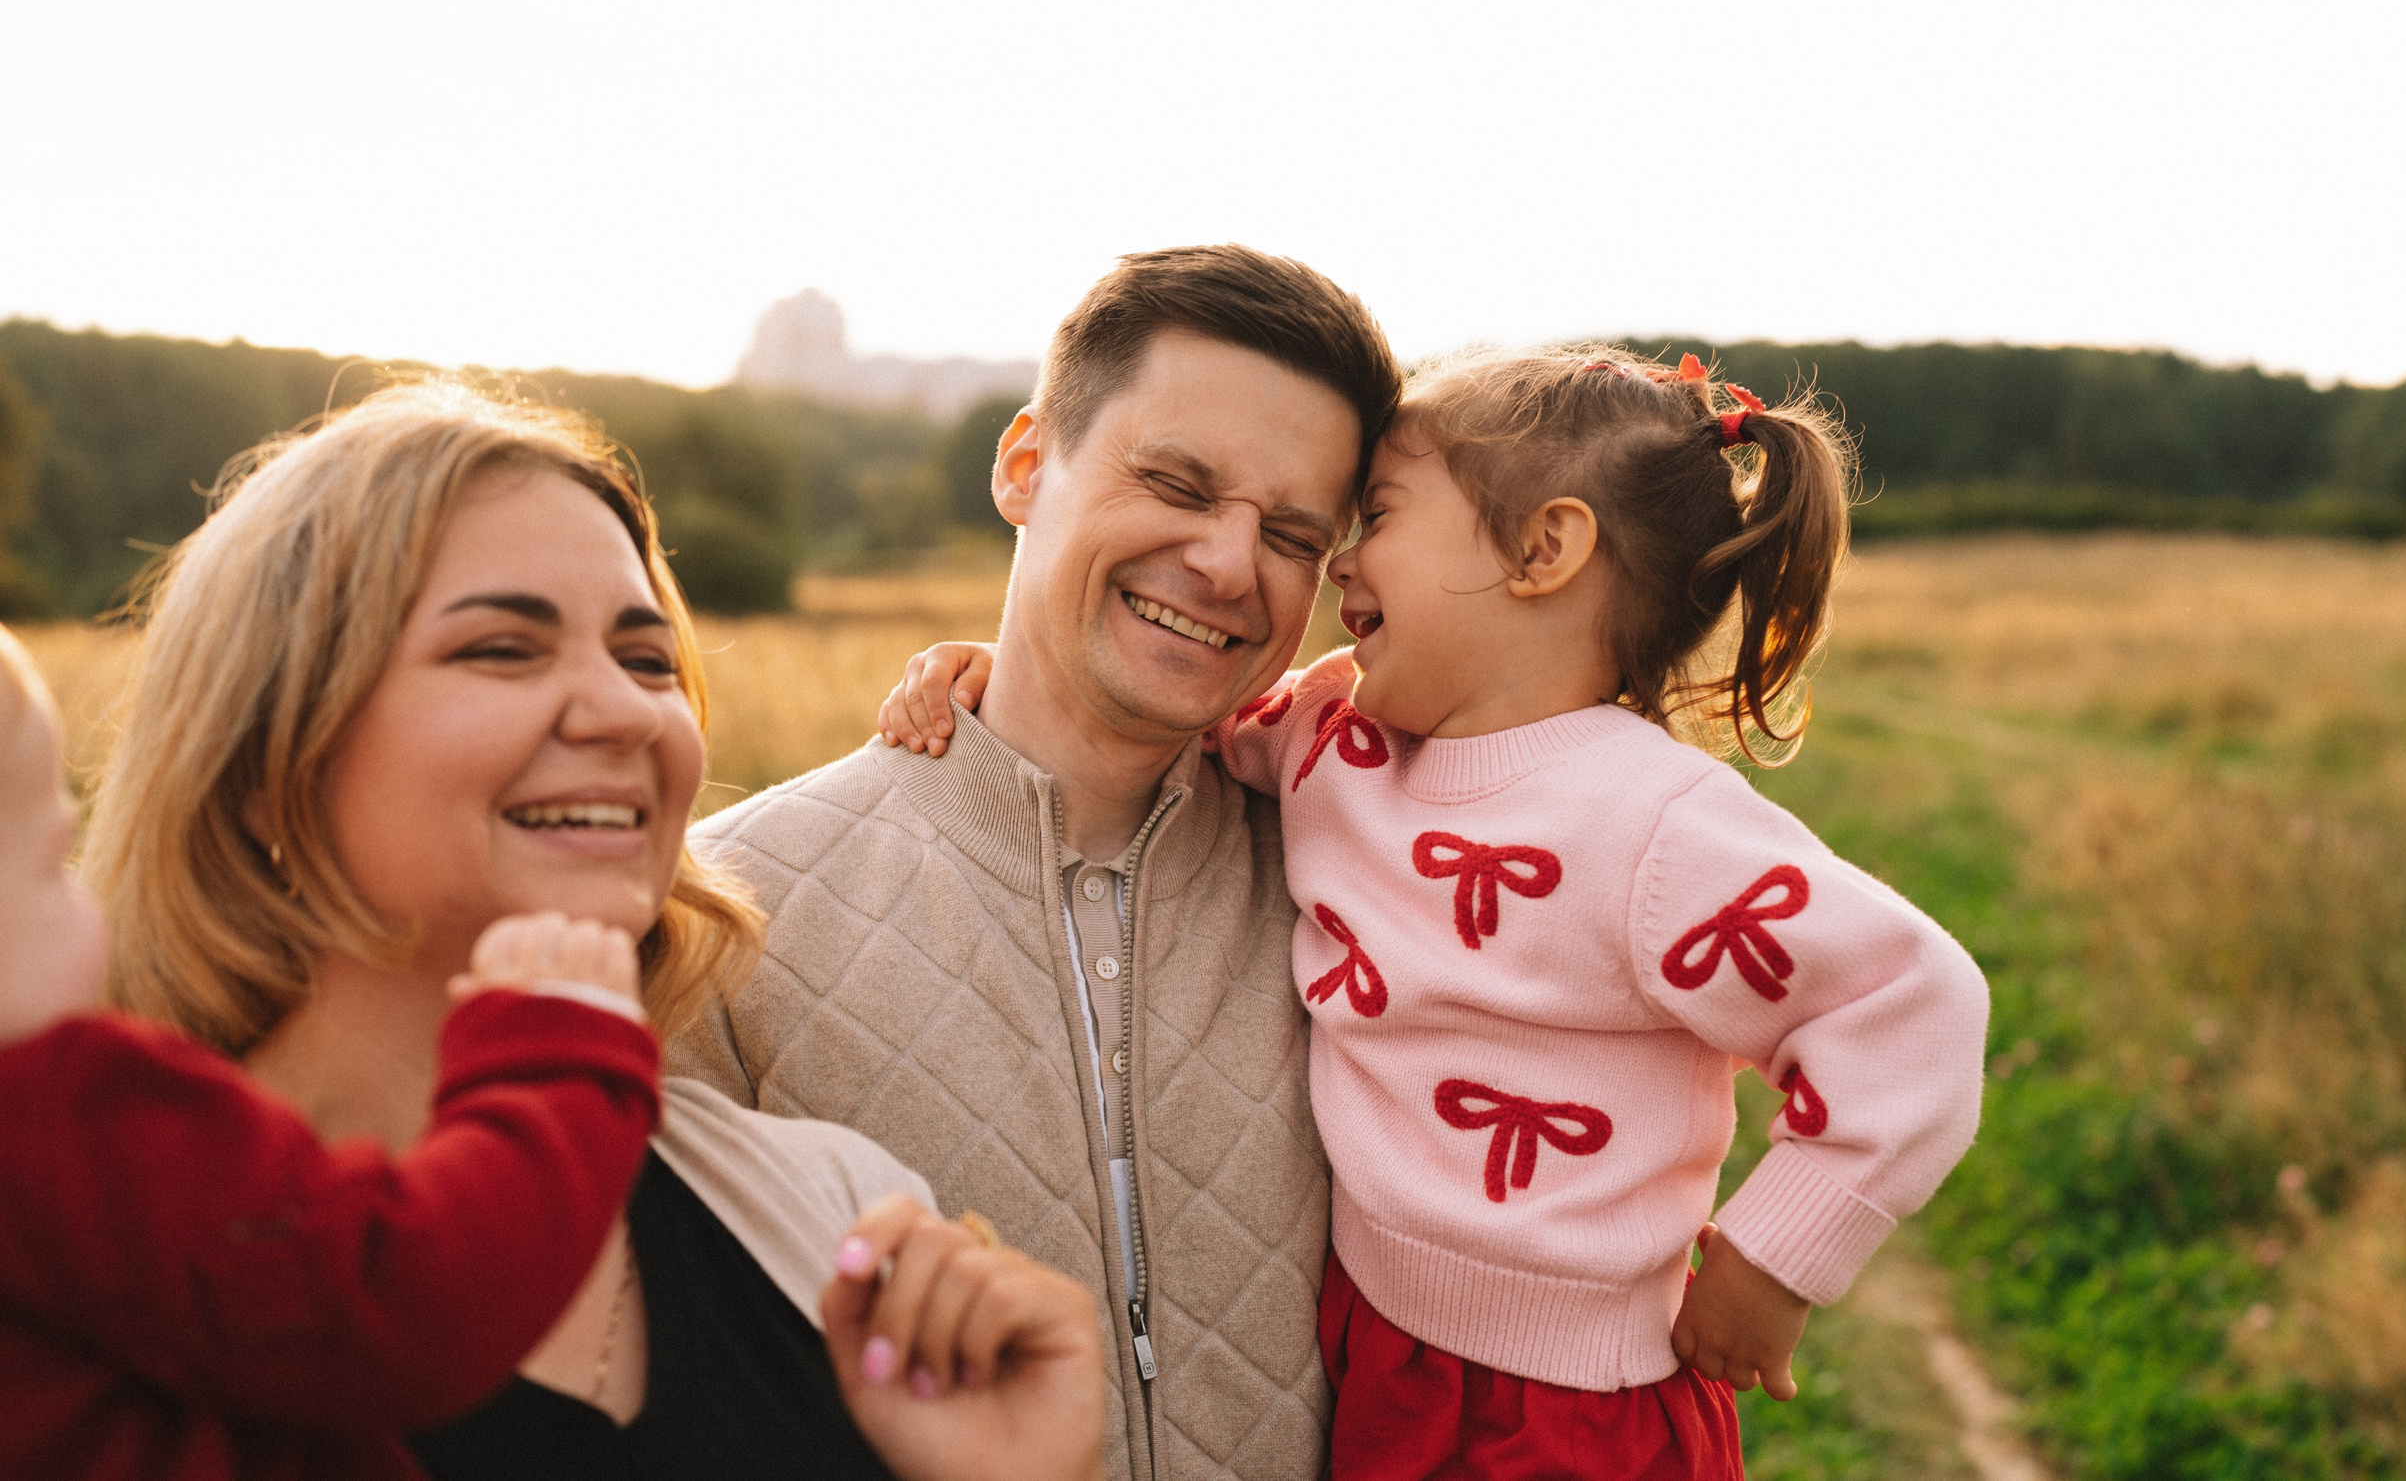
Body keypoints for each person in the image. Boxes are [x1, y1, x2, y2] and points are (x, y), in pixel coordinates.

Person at [881, 344, 1994, 1479]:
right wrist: (1002, 670)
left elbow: (1916, 1006)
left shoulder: (1656, 822)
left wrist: (1773, 1260)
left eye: (1380, 515)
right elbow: (1165, 709)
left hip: (1574, 1411)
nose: (1342, 565)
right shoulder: (1329, 735)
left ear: (1541, 550)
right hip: (1369, 1347)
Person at [76, 382, 1105, 1481]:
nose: (620, 710)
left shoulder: (831, 1214)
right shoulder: (98, 1277)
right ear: (264, 759)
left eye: (647, 659)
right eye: (502, 650)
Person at [671, 244, 1404, 1481]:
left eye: (1290, 532)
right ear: (1023, 463)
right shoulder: (724, 912)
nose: (1228, 565)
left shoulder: (1379, 875)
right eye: (1173, 481)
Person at [0, 625, 662, 1481]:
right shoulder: (54, 1119)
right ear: (274, 776)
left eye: (648, 659)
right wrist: (559, 1063)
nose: (622, 712)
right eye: (56, 863)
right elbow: (403, 1296)